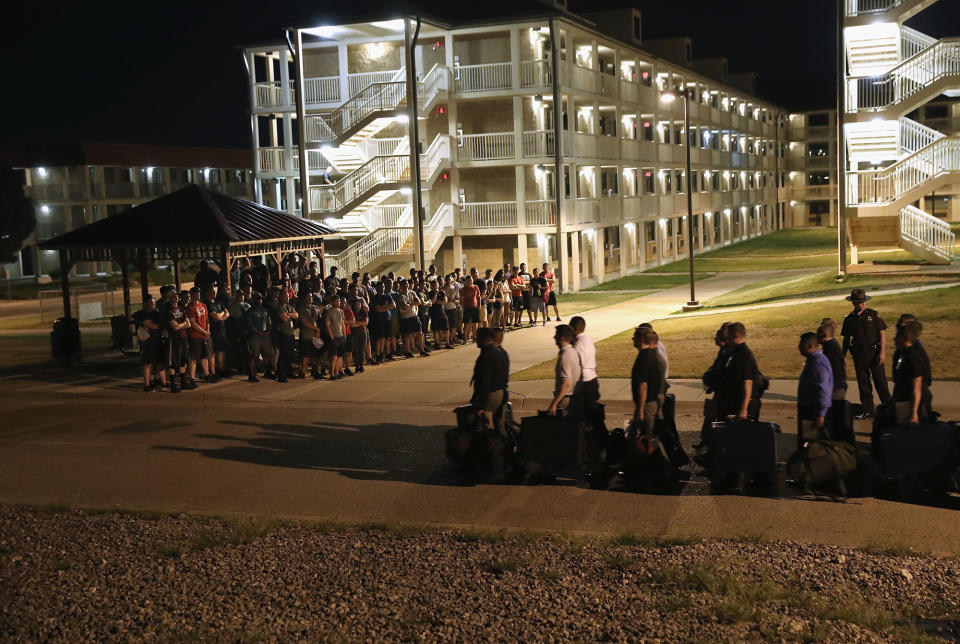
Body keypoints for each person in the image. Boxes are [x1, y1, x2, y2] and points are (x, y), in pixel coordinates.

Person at [841, 288, 890, 420]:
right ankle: (868, 411)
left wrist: (883, 353)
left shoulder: (874, 315)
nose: (863, 304)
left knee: (881, 383)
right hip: (859, 356)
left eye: (864, 301)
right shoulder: (849, 319)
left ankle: (889, 409)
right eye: (860, 302)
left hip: (875, 355)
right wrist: (843, 356)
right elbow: (846, 339)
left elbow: (882, 334)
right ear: (853, 303)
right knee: (864, 385)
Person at [796, 331, 834, 448]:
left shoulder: (818, 363)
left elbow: (823, 389)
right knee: (808, 445)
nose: (798, 347)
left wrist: (821, 415)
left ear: (809, 345)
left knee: (813, 448)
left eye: (801, 344)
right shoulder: (813, 360)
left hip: (814, 412)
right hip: (810, 410)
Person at [718, 322, 761, 421]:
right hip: (736, 401)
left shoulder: (743, 355)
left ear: (735, 335)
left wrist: (743, 409)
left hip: (743, 404)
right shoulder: (735, 352)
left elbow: (747, 383)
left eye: (728, 335)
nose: (726, 339)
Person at [891, 320, 932, 425]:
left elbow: (917, 388)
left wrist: (914, 413)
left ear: (905, 340)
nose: (894, 339)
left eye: (897, 337)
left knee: (915, 434)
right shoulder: (902, 352)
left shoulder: (913, 358)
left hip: (916, 402)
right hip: (904, 398)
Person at [470, 327, 510, 433]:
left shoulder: (487, 355)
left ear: (484, 339)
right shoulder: (500, 352)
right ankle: (507, 446)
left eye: (477, 337)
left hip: (491, 396)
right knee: (500, 426)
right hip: (500, 392)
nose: (475, 340)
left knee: (487, 428)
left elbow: (485, 381)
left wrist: (481, 406)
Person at [570, 316, 604, 433]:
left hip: (585, 382)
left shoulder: (577, 345)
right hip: (592, 378)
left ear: (573, 328)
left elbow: (576, 367)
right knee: (594, 417)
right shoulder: (587, 340)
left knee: (589, 419)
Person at [631, 326, 665, 437]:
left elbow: (643, 385)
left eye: (634, 337)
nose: (632, 339)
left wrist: (640, 409)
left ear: (641, 339)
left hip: (647, 405)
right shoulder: (652, 355)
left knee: (646, 440)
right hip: (652, 402)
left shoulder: (643, 358)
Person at [133, 295, 166, 392]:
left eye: (153, 303)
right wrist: (153, 325)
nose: (153, 304)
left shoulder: (157, 313)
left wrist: (153, 325)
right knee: (148, 364)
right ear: (145, 304)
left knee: (158, 363)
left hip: (158, 341)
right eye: (151, 303)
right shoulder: (140, 314)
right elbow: (154, 326)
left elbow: (158, 325)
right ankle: (146, 385)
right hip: (148, 343)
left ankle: (157, 381)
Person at [547, 324, 581, 416]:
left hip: (565, 401)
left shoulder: (565, 356)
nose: (554, 337)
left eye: (556, 334)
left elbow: (566, 383)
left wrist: (554, 403)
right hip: (573, 398)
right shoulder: (573, 352)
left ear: (561, 338)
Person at [185, 287, 213, 388]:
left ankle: (207, 374)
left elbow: (207, 320)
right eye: (195, 293)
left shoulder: (203, 305)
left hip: (204, 334)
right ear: (191, 295)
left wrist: (207, 331)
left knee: (204, 356)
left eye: (199, 293)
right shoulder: (190, 308)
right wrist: (205, 332)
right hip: (195, 335)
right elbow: (193, 323)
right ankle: (192, 378)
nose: (198, 295)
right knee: (194, 358)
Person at [164, 288, 190, 393]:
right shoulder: (168, 310)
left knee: (183, 361)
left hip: (183, 337)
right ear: (170, 297)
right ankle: (173, 385)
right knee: (173, 362)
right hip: (174, 339)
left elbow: (188, 324)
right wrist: (182, 325)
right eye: (174, 296)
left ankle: (183, 383)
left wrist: (181, 325)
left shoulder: (181, 308)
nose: (177, 297)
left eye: (177, 295)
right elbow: (175, 327)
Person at [245, 292, 272, 383]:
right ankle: (252, 374)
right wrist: (259, 332)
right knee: (254, 355)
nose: (259, 300)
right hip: (255, 335)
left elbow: (269, 322)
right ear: (253, 300)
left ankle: (267, 372)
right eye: (257, 298)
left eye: (260, 299)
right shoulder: (250, 311)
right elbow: (250, 325)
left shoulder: (265, 309)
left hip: (265, 334)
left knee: (267, 354)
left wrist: (268, 331)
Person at [204, 286, 230, 378]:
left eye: (215, 292)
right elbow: (215, 317)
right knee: (213, 352)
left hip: (222, 330)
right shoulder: (207, 304)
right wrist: (221, 315)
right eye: (212, 292)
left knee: (222, 350)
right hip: (213, 331)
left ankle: (220, 369)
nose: (214, 293)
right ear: (207, 293)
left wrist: (220, 316)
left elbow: (227, 313)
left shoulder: (219, 302)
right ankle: (213, 372)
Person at [274, 289, 298, 382]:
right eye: (285, 296)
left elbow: (297, 315)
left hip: (291, 334)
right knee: (283, 355)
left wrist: (288, 314)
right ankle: (281, 375)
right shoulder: (279, 307)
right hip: (282, 334)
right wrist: (290, 315)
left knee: (289, 355)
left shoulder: (289, 307)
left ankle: (289, 372)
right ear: (280, 297)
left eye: (288, 296)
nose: (288, 298)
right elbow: (283, 318)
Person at [297, 290, 323, 379]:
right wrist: (315, 328)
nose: (310, 298)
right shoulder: (302, 309)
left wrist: (318, 331)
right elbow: (304, 322)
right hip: (306, 335)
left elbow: (319, 320)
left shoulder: (315, 308)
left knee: (315, 355)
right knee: (305, 355)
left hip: (315, 335)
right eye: (308, 297)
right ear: (304, 299)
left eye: (311, 297)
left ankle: (314, 371)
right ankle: (302, 371)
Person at [325, 294, 346, 380]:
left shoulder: (341, 311)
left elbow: (343, 324)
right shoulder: (329, 312)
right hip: (334, 337)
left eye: (340, 301)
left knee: (340, 357)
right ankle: (332, 374)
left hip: (341, 336)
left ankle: (337, 373)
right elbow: (328, 325)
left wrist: (344, 335)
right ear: (333, 302)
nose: (339, 302)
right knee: (334, 357)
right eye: (337, 301)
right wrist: (332, 337)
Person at [460, 276, 481, 343]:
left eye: (471, 280)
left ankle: (474, 337)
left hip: (475, 307)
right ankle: (465, 338)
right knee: (467, 323)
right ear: (466, 281)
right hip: (467, 308)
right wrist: (463, 308)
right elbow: (462, 300)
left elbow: (478, 297)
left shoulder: (476, 287)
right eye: (468, 280)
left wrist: (479, 306)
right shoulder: (463, 289)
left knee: (474, 323)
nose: (470, 281)